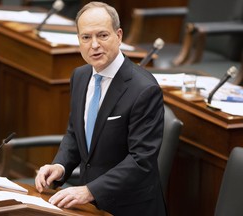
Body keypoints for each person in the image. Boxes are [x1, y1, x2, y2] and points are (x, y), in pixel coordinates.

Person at [35, 2, 166, 215]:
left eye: (102, 35)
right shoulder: (80, 76)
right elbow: (76, 133)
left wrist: (89, 190)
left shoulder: (144, 89)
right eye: (86, 37)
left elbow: (141, 160)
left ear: (119, 36)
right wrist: (60, 166)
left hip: (129, 207)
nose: (94, 45)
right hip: (90, 206)